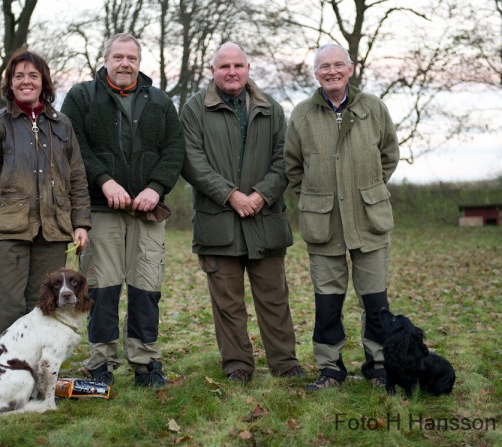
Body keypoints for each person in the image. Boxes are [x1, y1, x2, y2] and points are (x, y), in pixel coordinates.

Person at [61, 33, 185, 388]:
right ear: (105, 59)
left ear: (139, 62)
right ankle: (101, 362)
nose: (125, 63)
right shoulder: (82, 97)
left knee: (147, 288)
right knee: (101, 288)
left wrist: (156, 186)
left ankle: (146, 363)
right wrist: (103, 179)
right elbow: (74, 146)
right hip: (101, 210)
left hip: (147, 213)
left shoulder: (160, 101)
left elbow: (175, 149)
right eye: (118, 57)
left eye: (131, 57)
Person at [180, 42, 305, 384]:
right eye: (224, 66)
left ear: (248, 68)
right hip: (218, 223)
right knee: (228, 305)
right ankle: (238, 365)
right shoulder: (193, 109)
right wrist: (231, 195)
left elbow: (286, 159)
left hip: (265, 221)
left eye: (238, 65)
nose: (231, 72)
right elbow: (191, 161)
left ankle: (285, 362)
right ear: (212, 72)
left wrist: (261, 194)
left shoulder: (270, 108)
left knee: (275, 299)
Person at [284, 43, 400, 390]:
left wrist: (369, 190)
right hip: (324, 224)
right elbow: (292, 167)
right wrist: (314, 198)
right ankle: (330, 368)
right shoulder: (303, 114)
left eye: (338, 65)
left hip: (370, 220)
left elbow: (389, 155)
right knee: (328, 303)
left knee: (376, 301)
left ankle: (378, 366)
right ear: (315, 73)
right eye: (324, 67)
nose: (331, 71)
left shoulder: (374, 108)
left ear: (350, 69)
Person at [0, 48, 91, 345]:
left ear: (43, 82)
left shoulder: (62, 125)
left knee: (42, 305)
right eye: (19, 75)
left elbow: (77, 178)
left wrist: (81, 223)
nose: (26, 81)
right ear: (10, 82)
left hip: (53, 230)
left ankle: (38, 374)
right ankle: (1, 371)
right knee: (3, 304)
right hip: (6, 231)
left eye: (33, 76)